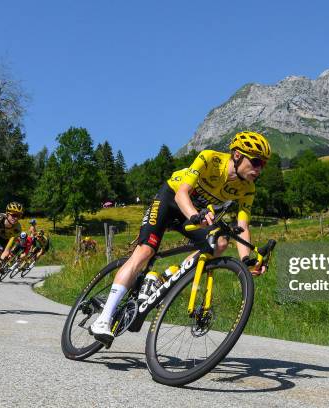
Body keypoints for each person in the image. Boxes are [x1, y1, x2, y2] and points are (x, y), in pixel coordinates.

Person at [89, 130, 271, 344]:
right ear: (238, 155)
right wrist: (195, 215)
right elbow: (182, 193)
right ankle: (103, 318)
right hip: (172, 200)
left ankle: (163, 278)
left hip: (196, 212)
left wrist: (246, 262)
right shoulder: (210, 158)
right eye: (256, 162)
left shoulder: (248, 188)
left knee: (220, 242)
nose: (259, 169)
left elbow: (242, 225)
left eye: (264, 165)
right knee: (145, 251)